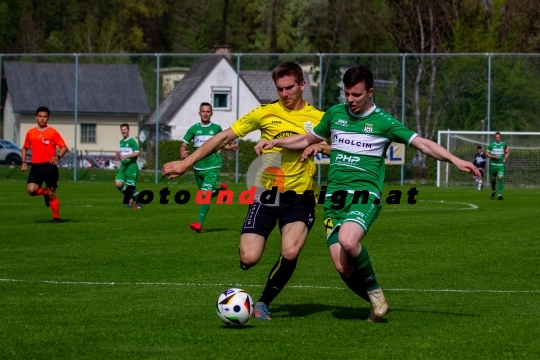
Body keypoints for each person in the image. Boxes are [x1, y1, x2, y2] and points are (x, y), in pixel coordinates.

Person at [254, 64, 480, 322]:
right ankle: (376, 307)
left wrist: (454, 159)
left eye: (357, 95)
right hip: (334, 200)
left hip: (364, 195)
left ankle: (375, 293)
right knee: (342, 265)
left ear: (370, 92)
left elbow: (422, 143)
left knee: (350, 241)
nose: (350, 100)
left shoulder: (383, 122)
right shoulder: (335, 114)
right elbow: (307, 139)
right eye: (347, 93)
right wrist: (276, 141)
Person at [162, 61, 325, 320]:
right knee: (249, 258)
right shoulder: (264, 113)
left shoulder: (319, 118)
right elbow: (222, 137)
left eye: (290, 87)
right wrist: (186, 162)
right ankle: (249, 253)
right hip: (266, 194)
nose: (285, 93)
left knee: (290, 250)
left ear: (302, 85)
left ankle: (263, 303)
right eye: (280, 88)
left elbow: (342, 146)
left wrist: (320, 147)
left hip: (301, 197)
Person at [180, 102, 238, 232]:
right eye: (203, 111)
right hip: (198, 166)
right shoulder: (194, 129)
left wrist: (230, 147)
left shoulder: (216, 128)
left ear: (211, 113)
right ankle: (220, 191)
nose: (205, 113)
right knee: (204, 194)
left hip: (213, 165)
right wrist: (182, 150)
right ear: (199, 113)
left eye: (208, 111)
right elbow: (184, 144)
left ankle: (199, 224)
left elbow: (223, 143)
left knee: (205, 195)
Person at [21, 106, 69, 223]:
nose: (42, 119)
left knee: (52, 193)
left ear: (48, 118)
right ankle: (45, 193)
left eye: (45, 117)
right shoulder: (30, 133)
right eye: (40, 116)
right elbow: (25, 147)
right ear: (36, 117)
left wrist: (57, 156)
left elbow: (64, 147)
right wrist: (23, 161)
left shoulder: (52, 132)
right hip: (36, 167)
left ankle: (56, 217)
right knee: (31, 190)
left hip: (49, 167)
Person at [114, 123, 143, 209]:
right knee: (118, 184)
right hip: (123, 167)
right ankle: (129, 197)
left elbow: (137, 153)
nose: (123, 131)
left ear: (128, 130)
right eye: (122, 130)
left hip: (131, 167)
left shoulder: (132, 141)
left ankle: (139, 204)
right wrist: (119, 155)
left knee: (131, 189)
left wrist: (127, 156)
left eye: (125, 129)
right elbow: (123, 153)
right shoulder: (121, 142)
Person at [486, 132, 509, 200]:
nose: (497, 139)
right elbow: (487, 154)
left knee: (500, 178)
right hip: (493, 165)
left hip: (500, 165)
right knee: (493, 180)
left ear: (500, 138)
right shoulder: (491, 145)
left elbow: (507, 152)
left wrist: (505, 158)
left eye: (498, 137)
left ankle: (499, 195)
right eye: (496, 137)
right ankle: (494, 190)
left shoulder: (504, 144)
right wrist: (493, 156)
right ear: (494, 138)